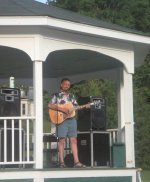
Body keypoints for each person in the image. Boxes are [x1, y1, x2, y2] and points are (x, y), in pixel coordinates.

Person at [48, 78, 87, 168]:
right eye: (65, 84)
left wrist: (85, 106)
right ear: (61, 85)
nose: (67, 86)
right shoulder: (57, 95)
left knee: (74, 140)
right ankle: (62, 162)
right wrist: (62, 109)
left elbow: (75, 107)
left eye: (68, 84)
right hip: (61, 120)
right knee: (61, 141)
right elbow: (50, 105)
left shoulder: (71, 96)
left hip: (72, 120)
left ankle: (77, 162)